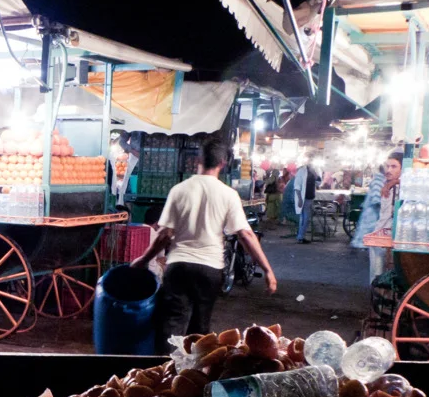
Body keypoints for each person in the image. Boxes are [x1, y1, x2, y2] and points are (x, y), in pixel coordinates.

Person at [134, 138, 278, 354]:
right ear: (222, 163)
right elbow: (246, 234)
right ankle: (194, 376)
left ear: (198, 160)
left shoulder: (179, 190)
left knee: (171, 326)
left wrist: (143, 260)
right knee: (200, 328)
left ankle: (162, 373)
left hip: (179, 265)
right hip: (210, 269)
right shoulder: (228, 194)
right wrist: (267, 270)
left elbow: (164, 235)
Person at [353, 151, 404, 283]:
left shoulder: (399, 187)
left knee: (382, 271)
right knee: (377, 271)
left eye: (394, 167)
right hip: (379, 233)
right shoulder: (384, 184)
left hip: (388, 235)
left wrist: (395, 182)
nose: (389, 170)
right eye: (387, 166)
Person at [293, 162, 321, 243]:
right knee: (304, 218)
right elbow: (297, 186)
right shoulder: (301, 171)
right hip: (303, 198)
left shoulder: (314, 171)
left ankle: (301, 236)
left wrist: (314, 173)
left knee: (306, 218)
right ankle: (300, 237)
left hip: (310, 197)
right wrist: (299, 199)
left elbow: (318, 183)